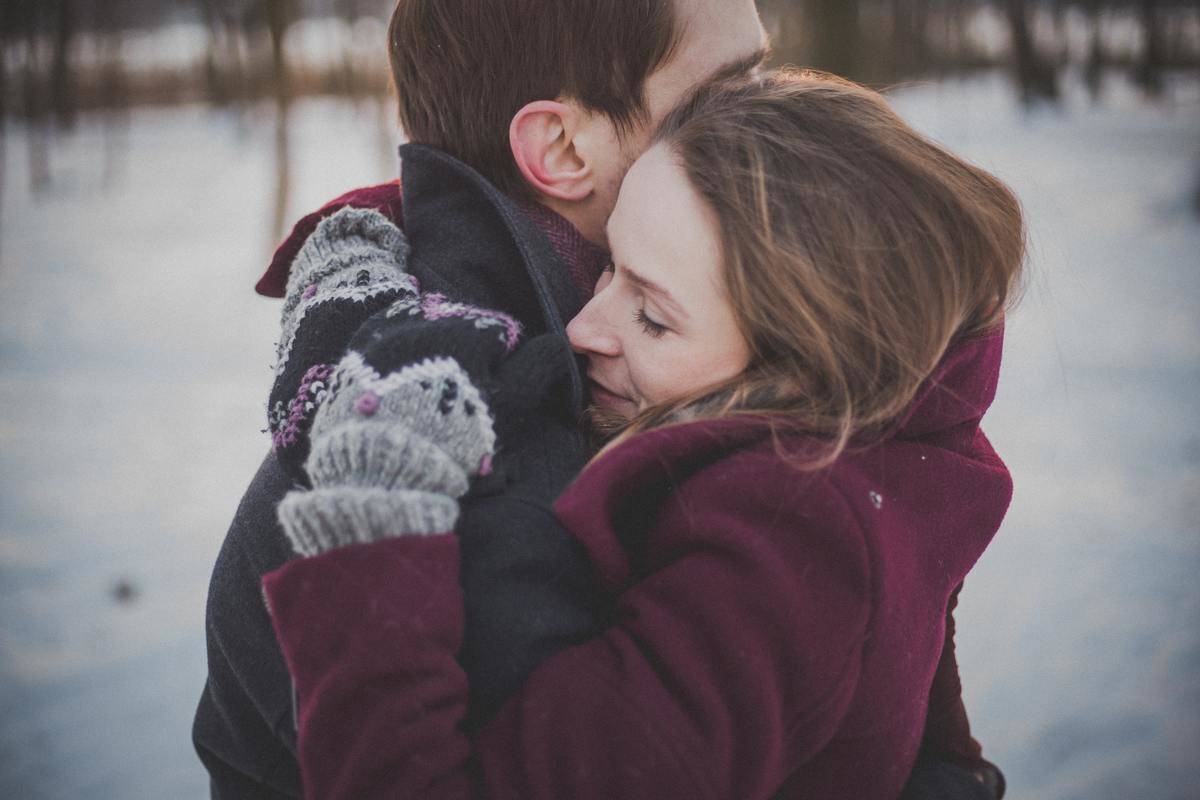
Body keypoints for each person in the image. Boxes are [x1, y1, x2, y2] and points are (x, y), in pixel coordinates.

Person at [260, 70, 1024, 798]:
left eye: (653, 317)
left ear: (804, 369)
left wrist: (373, 517)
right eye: (609, 265)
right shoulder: (895, 453)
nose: (584, 328)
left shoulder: (781, 558)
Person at [193, 2, 771, 796]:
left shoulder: (613, 349)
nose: (780, 117)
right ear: (562, 148)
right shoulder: (485, 466)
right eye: (729, 92)